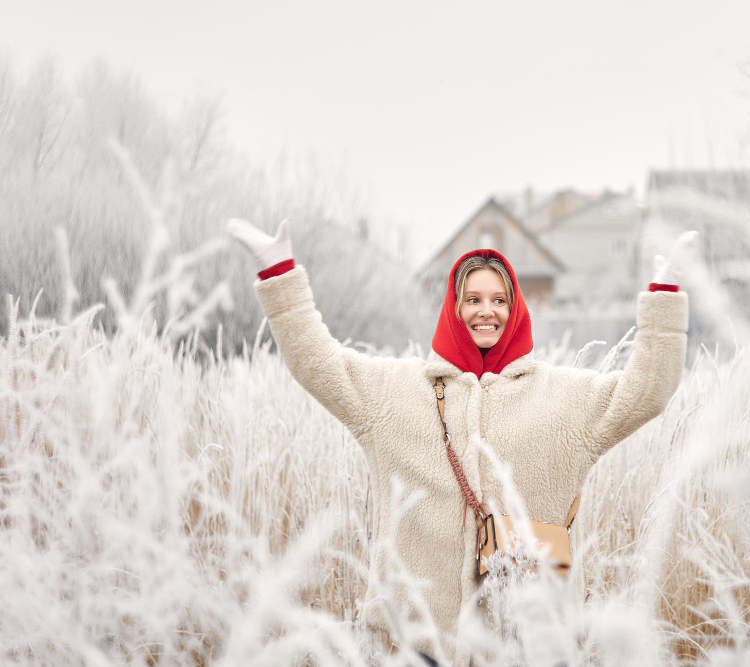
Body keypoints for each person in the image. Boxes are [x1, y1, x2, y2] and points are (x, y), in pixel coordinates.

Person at [227, 218, 694, 665]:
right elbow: (318, 363)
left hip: (527, 644)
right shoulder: (393, 393)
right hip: (413, 642)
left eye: (498, 300)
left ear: (515, 310)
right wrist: (280, 273)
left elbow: (647, 389)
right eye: (472, 299)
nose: (485, 311)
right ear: (453, 307)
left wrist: (665, 291)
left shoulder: (565, 400)